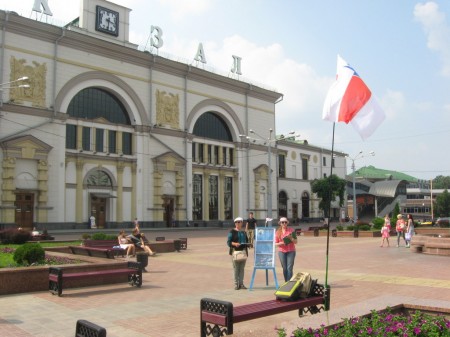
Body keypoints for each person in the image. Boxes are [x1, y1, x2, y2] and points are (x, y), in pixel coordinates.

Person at [227, 217, 248, 290]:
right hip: (235, 252)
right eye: (236, 222)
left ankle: (241, 284)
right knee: (236, 269)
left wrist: (249, 244)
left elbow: (246, 242)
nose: (238, 223)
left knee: (242, 269)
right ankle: (236, 284)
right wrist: (235, 244)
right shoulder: (232, 232)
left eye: (239, 222)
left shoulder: (243, 232)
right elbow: (228, 242)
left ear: (242, 223)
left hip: (243, 252)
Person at [274, 217, 297, 282]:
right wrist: (282, 243)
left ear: (287, 223)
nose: (284, 223)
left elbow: (296, 241)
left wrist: (291, 239)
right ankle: (286, 282)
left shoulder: (291, 230)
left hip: (291, 251)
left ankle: (289, 282)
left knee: (289, 268)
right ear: (280, 224)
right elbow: (275, 244)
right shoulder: (278, 232)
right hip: (282, 252)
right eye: (282, 222)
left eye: (285, 222)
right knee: (284, 268)